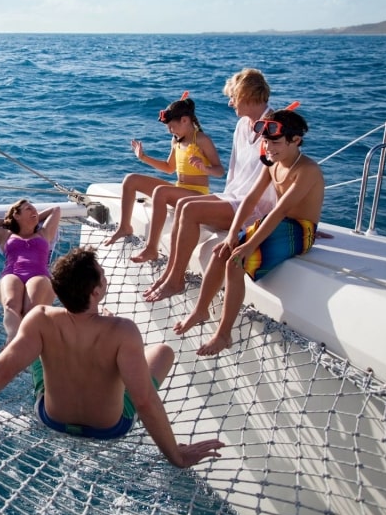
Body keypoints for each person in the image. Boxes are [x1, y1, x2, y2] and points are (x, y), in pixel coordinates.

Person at [0, 247, 225, 469]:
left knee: (33, 348)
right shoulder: (123, 331)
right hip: (110, 428)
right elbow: (144, 400)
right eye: (103, 278)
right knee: (162, 351)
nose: (105, 279)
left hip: (52, 419)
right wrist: (176, 456)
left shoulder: (41, 318)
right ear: (95, 293)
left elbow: (1, 371)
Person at [174, 109, 324, 356]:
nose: (269, 147)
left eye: (275, 142)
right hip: (279, 222)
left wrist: (250, 244)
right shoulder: (272, 163)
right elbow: (250, 199)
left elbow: (281, 210)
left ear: (296, 140)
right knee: (221, 250)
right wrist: (233, 233)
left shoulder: (307, 170)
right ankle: (201, 309)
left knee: (236, 260)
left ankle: (224, 334)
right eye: (265, 142)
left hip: (301, 231)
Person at [143, 69, 276, 302]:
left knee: (191, 210)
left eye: (233, 97)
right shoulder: (243, 126)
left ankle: (176, 280)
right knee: (185, 204)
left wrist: (288, 216)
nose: (230, 102)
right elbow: (234, 174)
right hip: (234, 197)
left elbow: (282, 175)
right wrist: (220, 199)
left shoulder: (274, 129)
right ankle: (170, 273)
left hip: (256, 208)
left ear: (245, 95)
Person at [103, 96, 224, 260]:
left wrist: (205, 168)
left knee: (161, 192)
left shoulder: (202, 140)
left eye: (172, 127)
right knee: (131, 179)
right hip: (179, 191)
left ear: (185, 120)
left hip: (197, 196)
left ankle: (151, 248)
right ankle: (125, 227)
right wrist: (144, 157)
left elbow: (220, 171)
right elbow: (169, 168)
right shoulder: (176, 141)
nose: (170, 131)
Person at [0, 200, 62, 344]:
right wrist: (6, 221)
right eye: (28, 209)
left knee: (31, 309)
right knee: (11, 304)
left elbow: (56, 210)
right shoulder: (6, 236)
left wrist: (34, 217)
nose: (34, 212)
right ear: (16, 215)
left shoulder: (44, 233)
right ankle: (13, 341)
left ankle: (29, 344)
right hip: (12, 274)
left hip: (39, 275)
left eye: (35, 209)